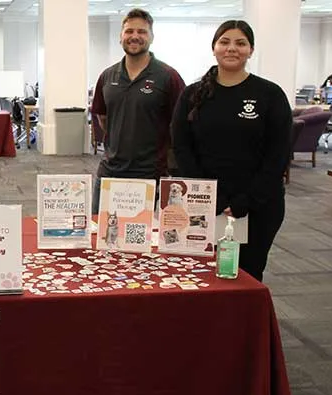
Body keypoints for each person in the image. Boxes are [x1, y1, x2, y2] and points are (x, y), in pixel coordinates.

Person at [171, 20, 292, 282]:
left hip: (259, 205)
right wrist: (212, 196)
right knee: (199, 274)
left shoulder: (269, 94)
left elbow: (279, 153)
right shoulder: (192, 94)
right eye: (224, 42)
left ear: (251, 50)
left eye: (240, 43)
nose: (231, 48)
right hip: (206, 204)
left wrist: (246, 199)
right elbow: (181, 147)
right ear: (214, 48)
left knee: (247, 275)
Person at [90, 8, 185, 214]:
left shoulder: (168, 77)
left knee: (139, 239)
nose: (135, 36)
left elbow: (180, 125)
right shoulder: (107, 76)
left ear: (151, 37)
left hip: (149, 173)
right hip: (110, 171)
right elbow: (103, 118)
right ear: (121, 37)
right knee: (99, 234)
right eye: (129, 31)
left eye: (141, 32)